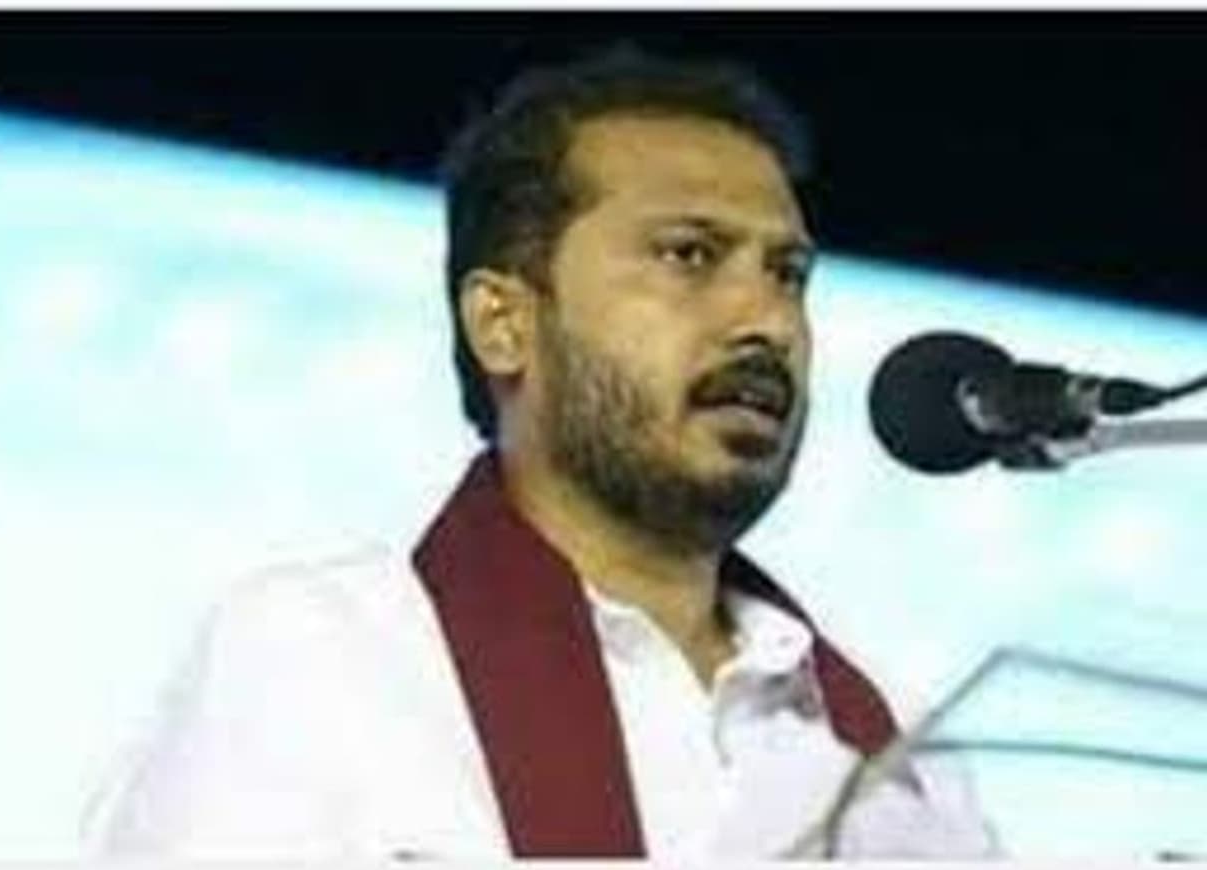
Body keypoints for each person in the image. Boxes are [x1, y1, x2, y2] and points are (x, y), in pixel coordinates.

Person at [88, 48, 997, 859]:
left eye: (786, 275)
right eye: (689, 255)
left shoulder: (895, 748)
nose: (766, 320)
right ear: (503, 323)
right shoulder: (322, 660)